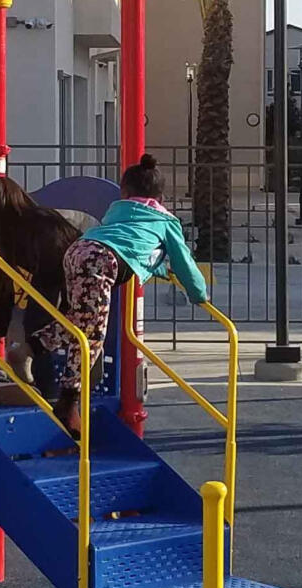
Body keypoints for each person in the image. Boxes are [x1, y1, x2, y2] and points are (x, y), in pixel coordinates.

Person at [36, 155, 210, 421]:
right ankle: (69, 399)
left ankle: (32, 346)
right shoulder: (165, 222)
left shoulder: (117, 211)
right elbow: (184, 263)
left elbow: (135, 251)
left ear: (125, 191)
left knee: (79, 318)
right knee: (92, 332)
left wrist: (160, 270)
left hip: (79, 251)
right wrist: (199, 294)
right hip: (101, 261)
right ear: (161, 198)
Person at [0, 174, 78, 390]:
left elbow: (51, 274)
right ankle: (35, 382)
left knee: (39, 323)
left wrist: (48, 316)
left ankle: (46, 388)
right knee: (36, 322)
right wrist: (1, 326)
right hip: (60, 274)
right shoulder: (17, 229)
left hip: (74, 274)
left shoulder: (38, 226)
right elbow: (3, 281)